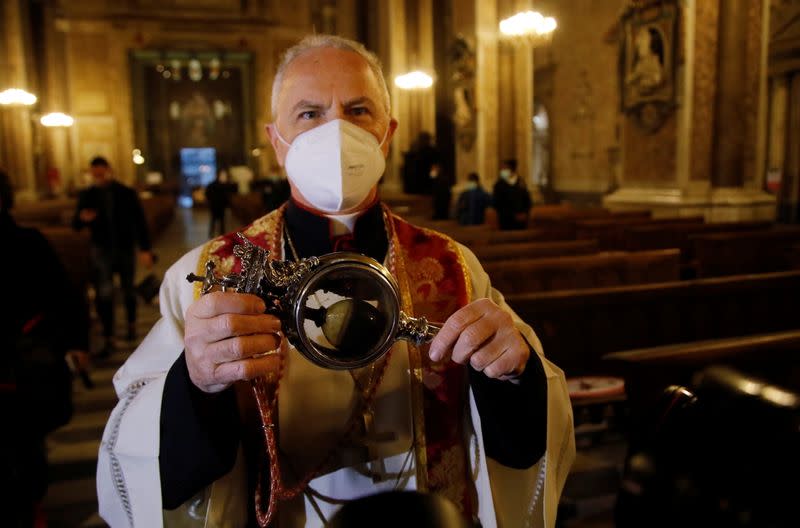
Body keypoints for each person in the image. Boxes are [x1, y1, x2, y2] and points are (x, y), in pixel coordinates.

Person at [97, 35, 574, 528]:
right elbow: (136, 438)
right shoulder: (210, 275)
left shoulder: (454, 265)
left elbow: (528, 412)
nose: (336, 129)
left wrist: (513, 374)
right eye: (309, 114)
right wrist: (195, 383)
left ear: (386, 134)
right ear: (275, 141)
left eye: (358, 109)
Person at [0, 169, 90, 526]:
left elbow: (64, 296)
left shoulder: (27, 242)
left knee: (21, 443)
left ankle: (29, 504)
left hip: (22, 363)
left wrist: (77, 343)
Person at [72, 157, 154, 355]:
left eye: (101, 173)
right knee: (105, 292)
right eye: (95, 174)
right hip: (102, 249)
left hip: (125, 247)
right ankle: (109, 335)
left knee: (128, 289)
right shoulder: (88, 195)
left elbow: (139, 221)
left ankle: (132, 325)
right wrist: (83, 219)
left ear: (109, 170)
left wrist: (145, 248)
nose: (98, 177)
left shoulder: (125, 192)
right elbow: (76, 223)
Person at [493, 159, 532, 230]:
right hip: (505, 221)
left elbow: (527, 200)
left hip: (521, 220)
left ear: (511, 169)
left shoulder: (521, 183)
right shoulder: (499, 184)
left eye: (505, 168)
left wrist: (525, 213)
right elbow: (497, 203)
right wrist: (511, 215)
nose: (502, 171)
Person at [205, 170, 232, 237]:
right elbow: (208, 195)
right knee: (217, 220)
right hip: (217, 205)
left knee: (218, 220)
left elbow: (207, 195)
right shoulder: (218, 185)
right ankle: (217, 233)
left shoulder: (222, 185)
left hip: (218, 205)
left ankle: (216, 233)